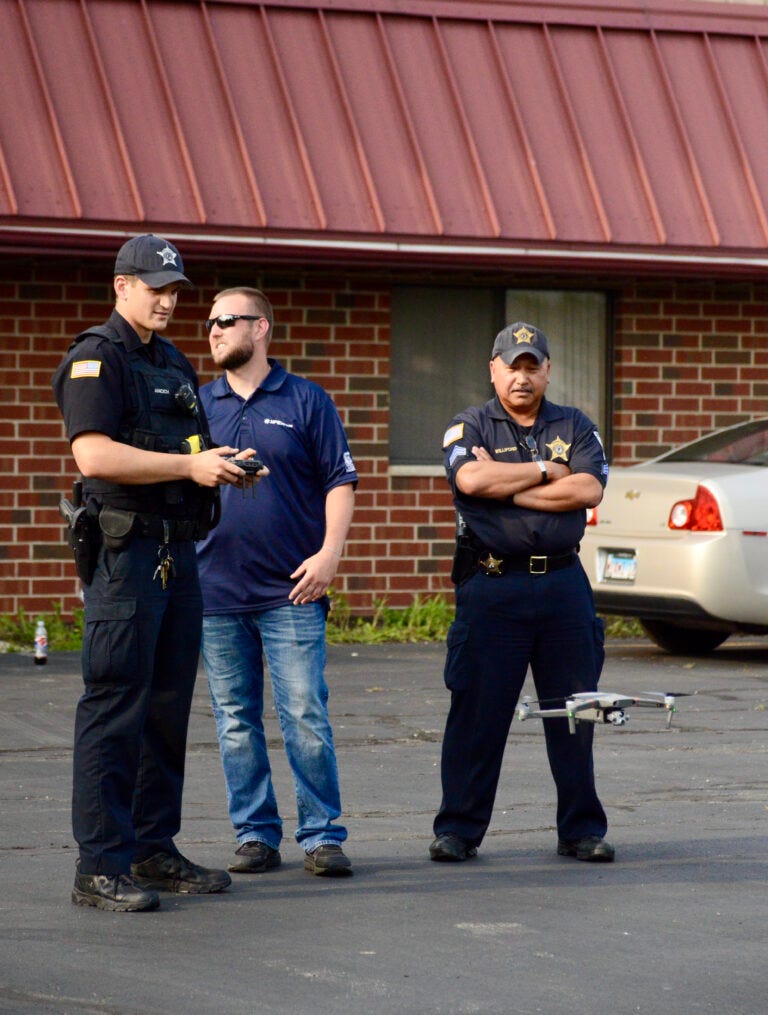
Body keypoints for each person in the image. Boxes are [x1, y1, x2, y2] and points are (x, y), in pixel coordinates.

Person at [52, 234, 258, 912]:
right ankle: (100, 865)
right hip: (127, 559)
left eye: (175, 289)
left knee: (166, 711)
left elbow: (190, 448)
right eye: (155, 286)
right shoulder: (96, 359)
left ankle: (151, 848)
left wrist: (221, 460)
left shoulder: (171, 362)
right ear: (121, 286)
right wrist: (187, 467)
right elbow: (94, 456)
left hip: (177, 556)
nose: (168, 299)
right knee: (115, 708)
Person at [430, 322, 614, 864]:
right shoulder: (469, 425)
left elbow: (589, 488)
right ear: (493, 369)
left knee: (575, 713)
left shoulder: (575, 425)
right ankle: (459, 829)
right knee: (477, 713)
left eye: (532, 365)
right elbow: (470, 483)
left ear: (547, 370)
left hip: (563, 587)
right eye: (512, 365)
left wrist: (512, 490)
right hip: (493, 586)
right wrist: (542, 472)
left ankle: (580, 830)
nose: (522, 376)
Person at [196, 286, 357, 878]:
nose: (212, 331)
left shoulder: (307, 399)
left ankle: (321, 836)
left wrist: (329, 554)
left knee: (304, 714)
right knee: (235, 720)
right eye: (209, 322)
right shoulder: (197, 403)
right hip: (214, 589)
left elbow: (340, 481)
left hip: (291, 588)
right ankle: (256, 835)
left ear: (260, 327)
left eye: (226, 321)